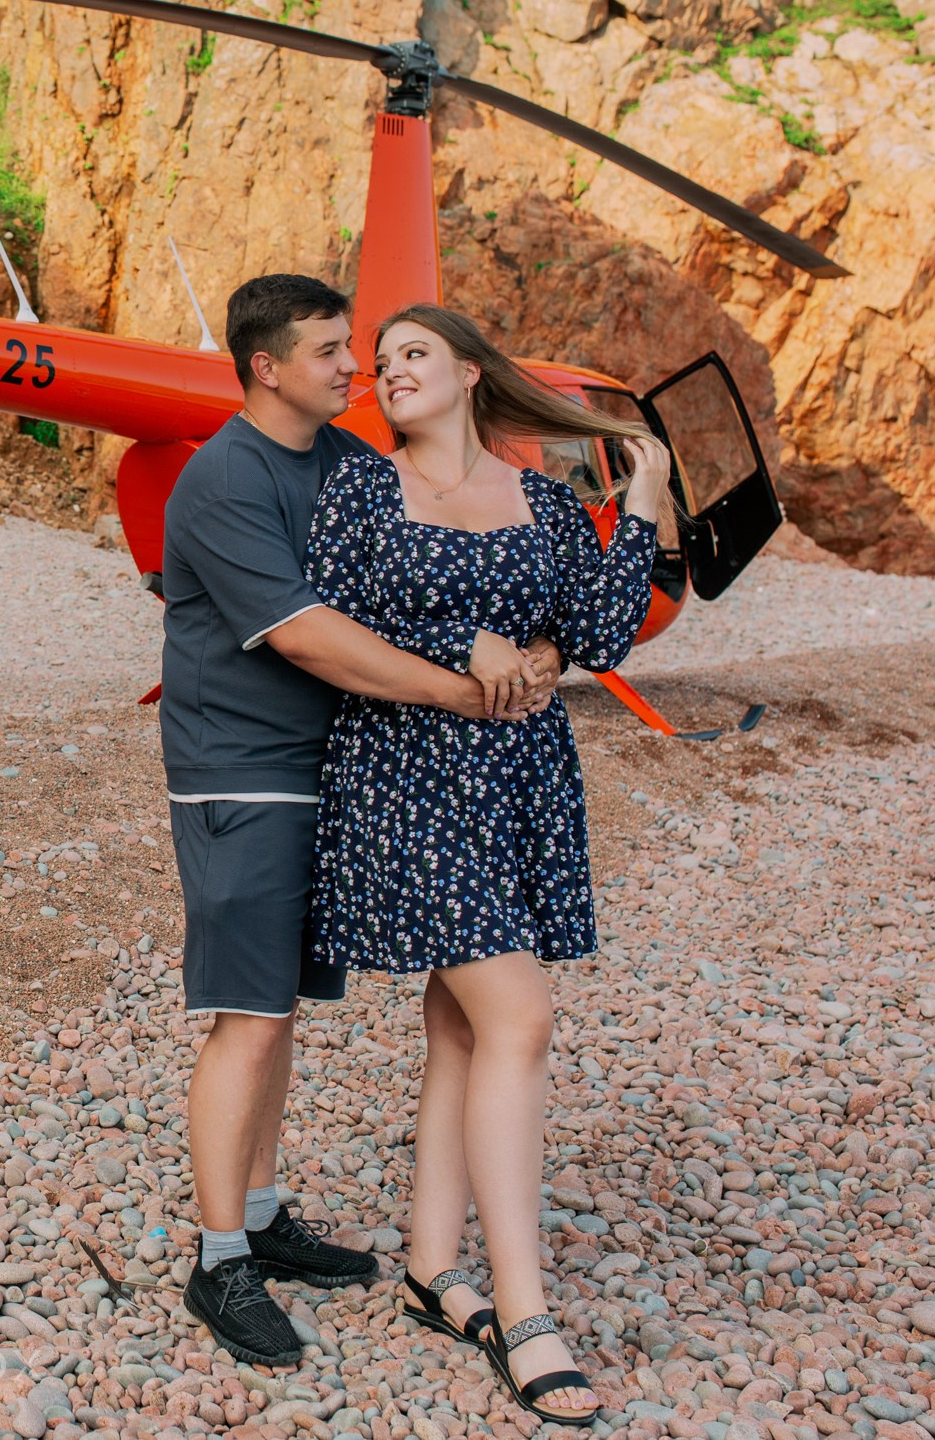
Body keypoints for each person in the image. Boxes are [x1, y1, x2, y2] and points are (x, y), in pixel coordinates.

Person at [158, 275, 563, 1368]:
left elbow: (431, 575)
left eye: (359, 349)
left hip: (335, 767)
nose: (357, 368)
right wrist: (459, 683)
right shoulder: (222, 477)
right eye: (332, 351)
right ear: (266, 366)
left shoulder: (345, 466)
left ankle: (261, 1204)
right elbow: (308, 636)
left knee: (278, 1004)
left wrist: (520, 643)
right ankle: (219, 1259)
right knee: (245, 1012)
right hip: (242, 773)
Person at [305, 303, 672, 1425]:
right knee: (519, 1015)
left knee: (463, 1023)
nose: (389, 371)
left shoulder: (544, 503)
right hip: (403, 775)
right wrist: (458, 638)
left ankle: (431, 1265)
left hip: (514, 779)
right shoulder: (363, 488)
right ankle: (525, 1312)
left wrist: (644, 484)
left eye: (413, 353)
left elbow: (605, 627)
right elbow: (332, 603)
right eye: (379, 363)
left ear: (469, 372)